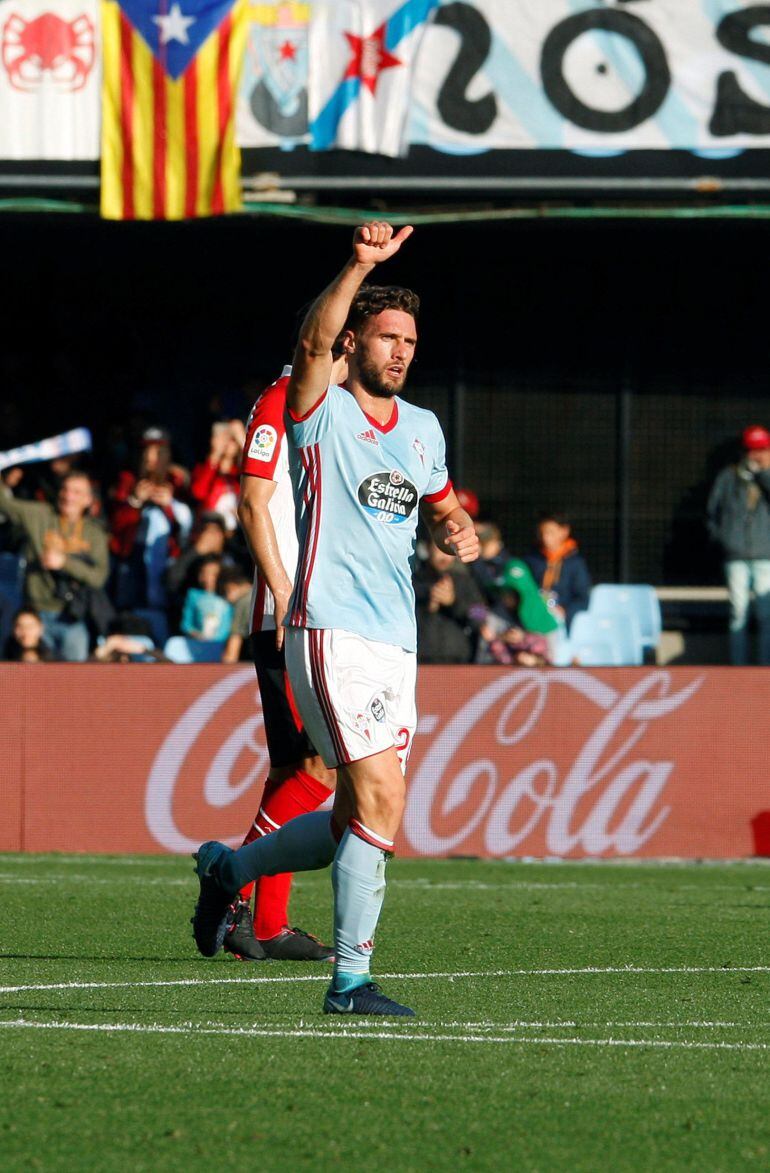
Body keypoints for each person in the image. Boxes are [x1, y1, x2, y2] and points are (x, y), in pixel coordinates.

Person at [191, 221, 479, 1016]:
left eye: (411, 340)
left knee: (354, 810)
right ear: (356, 342)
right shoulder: (316, 409)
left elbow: (445, 505)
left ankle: (230, 870)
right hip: (326, 629)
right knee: (380, 795)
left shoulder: (422, 429)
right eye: (388, 337)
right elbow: (311, 342)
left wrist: (459, 529)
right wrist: (358, 264)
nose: (402, 351)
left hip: (395, 643)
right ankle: (350, 983)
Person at [215, 354, 351, 963]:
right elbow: (252, 505)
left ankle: (265, 926)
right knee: (319, 771)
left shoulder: (330, 410)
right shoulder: (280, 402)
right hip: (291, 617)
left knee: (290, 776)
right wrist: (286, 594)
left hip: (322, 614)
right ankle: (229, 885)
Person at [0, 471, 109, 661]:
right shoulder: (40, 515)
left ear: (88, 499)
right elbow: (5, 504)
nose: (68, 496)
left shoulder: (95, 534)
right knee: (34, 678)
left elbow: (99, 578)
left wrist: (65, 563)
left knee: (73, 679)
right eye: (65, 490)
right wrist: (4, 481)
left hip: (71, 616)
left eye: (76, 492)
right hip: (36, 614)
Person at [707, 425, 770, 665]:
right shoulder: (729, 477)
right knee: (738, 613)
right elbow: (713, 512)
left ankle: (765, 667)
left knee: (766, 614)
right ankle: (738, 667)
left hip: (766, 554)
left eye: (762, 450)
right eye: (753, 450)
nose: (757, 455)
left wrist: (762, 474)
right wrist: (724, 539)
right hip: (736, 554)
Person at [413, 541, 484, 663]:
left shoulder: (465, 581)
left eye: (449, 551)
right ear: (427, 549)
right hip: (421, 661)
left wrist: (453, 602)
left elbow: (480, 616)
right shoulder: (414, 580)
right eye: (440, 549)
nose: (444, 556)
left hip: (457, 661)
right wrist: (430, 606)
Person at [524, 511, 591, 632]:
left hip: (562, 621)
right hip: (536, 617)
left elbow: (582, 598)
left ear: (564, 531)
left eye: (550, 532)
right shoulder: (533, 560)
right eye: (542, 533)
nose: (545, 537)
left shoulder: (575, 563)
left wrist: (565, 610)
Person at [190, 420, 246, 533]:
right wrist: (215, 454)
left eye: (232, 439)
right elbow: (198, 493)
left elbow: (256, 469)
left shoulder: (240, 473)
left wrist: (243, 441)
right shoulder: (206, 468)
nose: (227, 443)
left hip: (236, 533)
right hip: (209, 528)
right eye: (225, 438)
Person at [180, 555, 232, 642]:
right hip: (196, 644)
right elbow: (186, 624)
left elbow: (227, 627)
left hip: (219, 647)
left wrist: (215, 640)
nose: (207, 578)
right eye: (204, 573)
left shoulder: (228, 597)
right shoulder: (193, 595)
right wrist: (195, 634)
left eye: (214, 574)